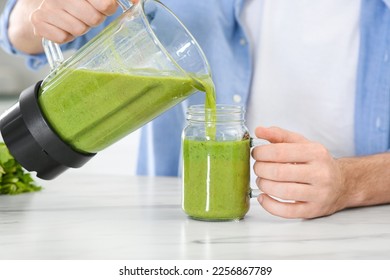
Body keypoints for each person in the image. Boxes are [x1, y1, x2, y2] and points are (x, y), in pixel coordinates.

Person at [1, 0, 389, 219]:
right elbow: (22, 32)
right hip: (172, 236)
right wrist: (38, 12)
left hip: (349, 227)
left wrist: (352, 182)